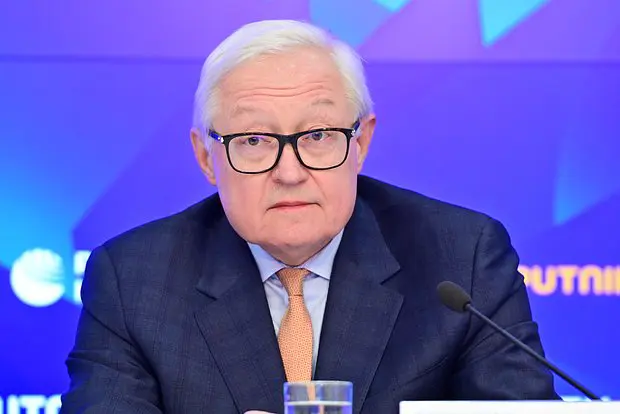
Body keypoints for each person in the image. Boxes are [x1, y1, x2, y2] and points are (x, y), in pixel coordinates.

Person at [60, 19, 558, 414]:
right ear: (206, 158)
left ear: (361, 143)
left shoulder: (461, 259)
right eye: (254, 140)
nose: (290, 172)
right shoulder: (135, 280)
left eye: (317, 136)